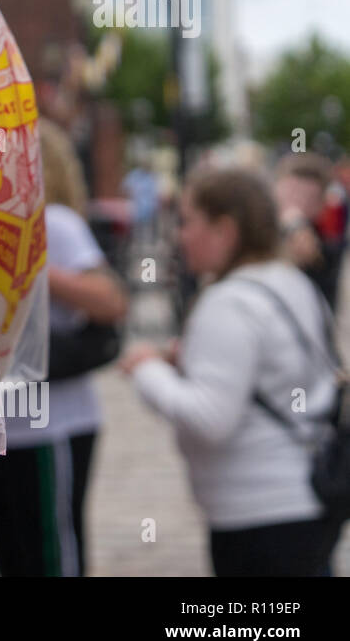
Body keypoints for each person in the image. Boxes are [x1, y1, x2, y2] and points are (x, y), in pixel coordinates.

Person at [121, 166, 344, 576]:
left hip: (257, 513)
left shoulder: (227, 302)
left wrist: (146, 369)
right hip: (303, 501)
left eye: (187, 222)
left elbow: (210, 419)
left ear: (224, 229)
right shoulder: (290, 281)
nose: (179, 235)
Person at [0, 118, 128, 576]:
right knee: (18, 554)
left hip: (53, 423)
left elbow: (109, 300)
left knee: (53, 554)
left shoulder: (55, 223)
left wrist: (30, 267)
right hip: (7, 425)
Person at [275, 152, 344, 313]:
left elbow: (311, 254)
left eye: (308, 198)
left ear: (321, 204)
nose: (297, 202)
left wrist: (295, 224)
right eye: (291, 192)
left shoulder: (326, 245)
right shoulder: (261, 228)